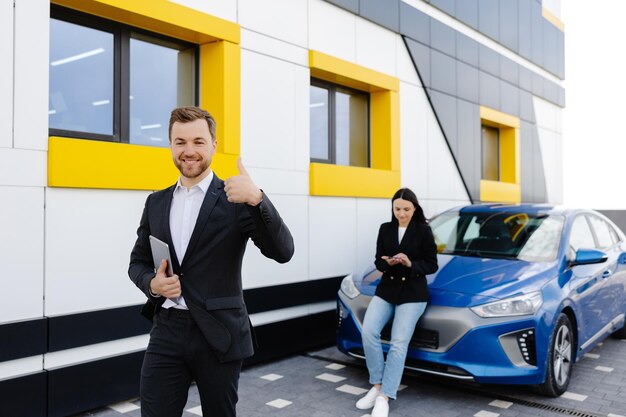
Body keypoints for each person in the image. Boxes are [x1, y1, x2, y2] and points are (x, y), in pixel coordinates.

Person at [128, 106, 294, 417]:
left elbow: (283, 251)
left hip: (219, 333)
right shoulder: (156, 202)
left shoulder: (237, 197)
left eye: (198, 142)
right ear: (170, 145)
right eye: (180, 142)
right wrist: (152, 283)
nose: (188, 151)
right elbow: (137, 262)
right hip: (167, 330)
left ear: (213, 145)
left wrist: (258, 199)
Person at [355, 188, 438, 417]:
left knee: (398, 343)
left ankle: (385, 396)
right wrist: (386, 263)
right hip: (387, 289)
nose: (401, 213)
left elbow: (432, 264)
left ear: (414, 208)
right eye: (397, 209)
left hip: (413, 293)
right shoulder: (385, 228)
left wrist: (410, 263)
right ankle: (377, 384)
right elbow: (377, 261)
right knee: (368, 331)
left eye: (406, 209)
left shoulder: (423, 230)